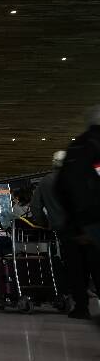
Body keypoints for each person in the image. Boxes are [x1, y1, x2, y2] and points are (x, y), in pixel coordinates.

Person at [54, 106, 100, 320]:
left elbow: (63, 188)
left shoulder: (78, 146)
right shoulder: (90, 145)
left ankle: (81, 306)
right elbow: (75, 184)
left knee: (77, 268)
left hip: (76, 222)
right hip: (89, 220)